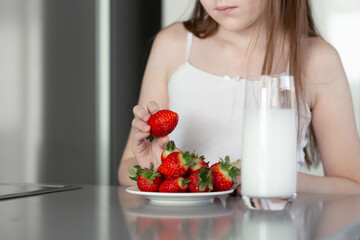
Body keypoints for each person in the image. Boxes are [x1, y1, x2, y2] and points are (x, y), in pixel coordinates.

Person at [118, 0, 360, 194]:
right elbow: (126, 168)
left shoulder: (317, 59)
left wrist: (274, 178)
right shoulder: (172, 44)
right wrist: (156, 168)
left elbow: (353, 187)